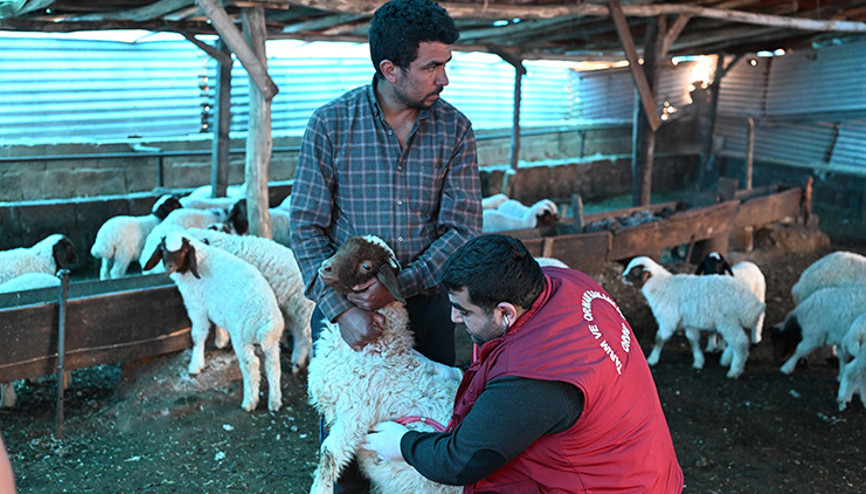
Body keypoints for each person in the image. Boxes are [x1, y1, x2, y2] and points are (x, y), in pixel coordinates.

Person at [288, 0, 482, 491]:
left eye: (447, 64)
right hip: (345, 317)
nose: (444, 78)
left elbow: (461, 229)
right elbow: (306, 227)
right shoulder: (331, 125)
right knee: (348, 449)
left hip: (425, 312)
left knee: (430, 442)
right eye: (432, 66)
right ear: (389, 69)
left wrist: (399, 286)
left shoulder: (456, 130)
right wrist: (340, 309)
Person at [363, 234, 684, 493]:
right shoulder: (567, 282)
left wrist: (403, 444)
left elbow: (462, 460)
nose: (454, 318)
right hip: (646, 467)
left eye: (464, 310)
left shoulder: (538, 376)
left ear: (505, 312)